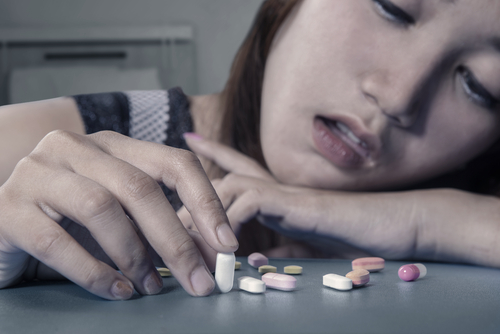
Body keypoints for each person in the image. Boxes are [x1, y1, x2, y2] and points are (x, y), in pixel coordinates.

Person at [1, 0, 499, 300]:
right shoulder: (54, 141)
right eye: (394, 7)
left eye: (481, 87)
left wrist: (426, 223)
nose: (397, 96)